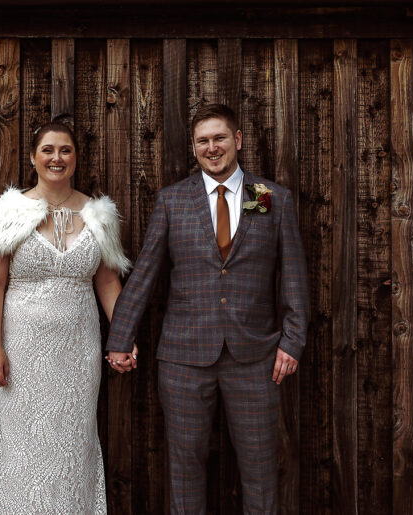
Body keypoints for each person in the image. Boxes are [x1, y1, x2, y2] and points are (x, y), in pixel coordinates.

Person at [105, 102, 309, 514]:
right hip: (183, 357)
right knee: (184, 468)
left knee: (260, 470)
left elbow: (291, 272)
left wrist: (293, 340)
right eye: (203, 141)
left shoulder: (266, 198)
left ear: (237, 140)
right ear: (194, 147)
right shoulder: (172, 201)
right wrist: (120, 338)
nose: (212, 148)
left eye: (219, 138)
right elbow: (145, 274)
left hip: (256, 358)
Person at [0, 118, 134, 514]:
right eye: (48, 150)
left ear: (75, 159)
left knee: (73, 445)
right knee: (21, 447)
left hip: (78, 354)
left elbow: (108, 284)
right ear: (33, 158)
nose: (56, 158)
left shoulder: (99, 216)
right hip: (22, 353)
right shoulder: (11, 211)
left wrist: (124, 337)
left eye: (65, 150)